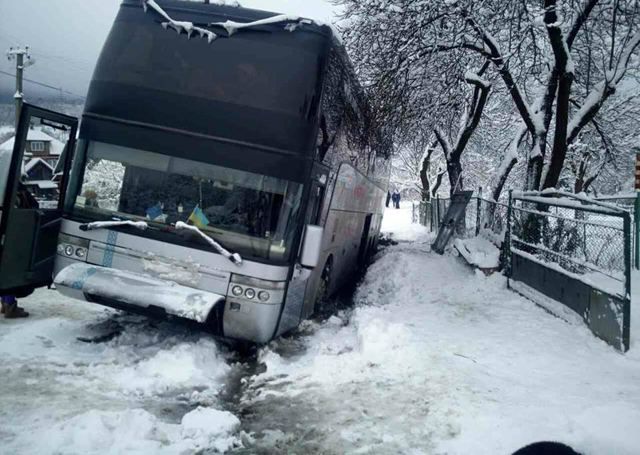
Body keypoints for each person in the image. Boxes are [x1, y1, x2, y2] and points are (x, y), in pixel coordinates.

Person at [1, 181, 38, 319]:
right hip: (14, 237)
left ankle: (6, 304)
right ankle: (10, 306)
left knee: (5, 270)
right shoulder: (17, 193)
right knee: (10, 271)